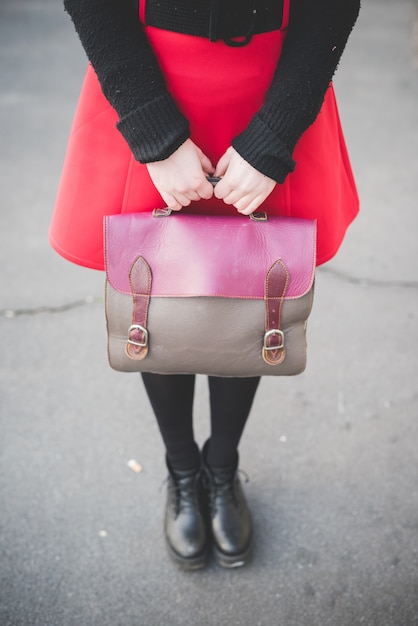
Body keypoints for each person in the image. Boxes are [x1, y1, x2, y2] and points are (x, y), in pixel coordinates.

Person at [50, 0, 361, 570]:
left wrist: (275, 134)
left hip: (274, 83)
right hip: (151, 75)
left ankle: (222, 469)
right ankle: (182, 469)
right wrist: (155, 134)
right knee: (155, 296)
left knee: (247, 297)